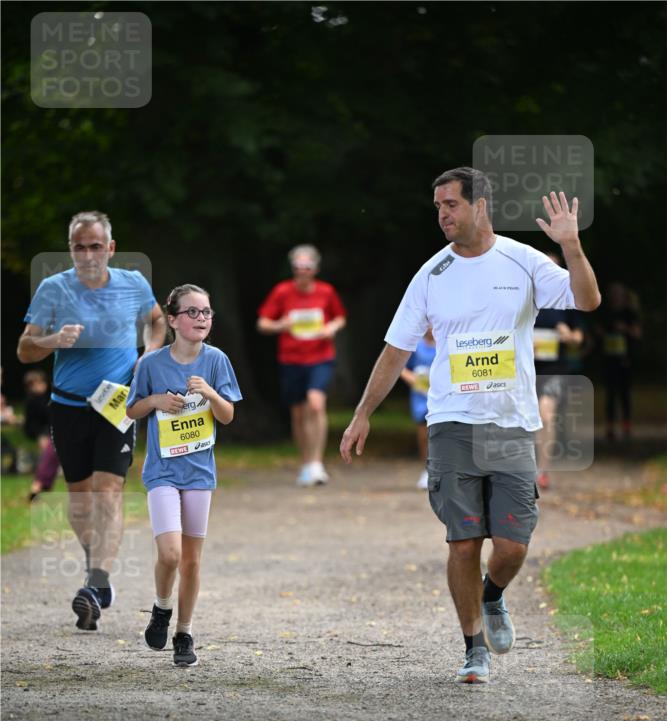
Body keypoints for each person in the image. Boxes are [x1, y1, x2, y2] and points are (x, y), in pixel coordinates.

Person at [341, 166, 600, 684]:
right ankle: (472, 646)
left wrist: (571, 245)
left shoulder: (523, 262)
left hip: (511, 424)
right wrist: (361, 413)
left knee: (512, 547)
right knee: (463, 541)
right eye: (437, 207)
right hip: (453, 423)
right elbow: (397, 350)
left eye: (451, 205)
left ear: (480, 205)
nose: (442, 215)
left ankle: (493, 594)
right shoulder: (431, 274)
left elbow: (587, 300)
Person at [17, 210, 166, 631]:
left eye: (95, 246)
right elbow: (24, 350)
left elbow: (156, 321)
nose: (87, 254)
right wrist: (52, 340)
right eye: (79, 247)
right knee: (80, 498)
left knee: (107, 492)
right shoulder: (53, 289)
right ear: (71, 249)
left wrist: (148, 356)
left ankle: (97, 582)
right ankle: (95, 568)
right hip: (67, 406)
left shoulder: (133, 284)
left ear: (111, 248)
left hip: (117, 403)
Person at [126, 284, 242, 667]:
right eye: (192, 312)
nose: (201, 319)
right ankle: (162, 607)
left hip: (199, 474)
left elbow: (227, 415)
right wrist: (157, 401)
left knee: (192, 560)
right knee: (171, 554)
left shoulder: (216, 361)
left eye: (206, 312)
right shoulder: (153, 364)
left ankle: (184, 632)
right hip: (161, 472)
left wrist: (209, 392)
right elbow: (131, 411)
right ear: (172, 319)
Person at [257, 244, 346, 486]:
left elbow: (340, 317)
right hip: (291, 359)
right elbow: (263, 322)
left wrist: (331, 328)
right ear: (293, 268)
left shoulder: (326, 292)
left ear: (315, 268)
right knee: (297, 413)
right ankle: (306, 463)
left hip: (320, 357)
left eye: (307, 266)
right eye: (298, 266)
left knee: (316, 405)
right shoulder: (282, 292)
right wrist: (279, 326)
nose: (303, 271)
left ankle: (317, 463)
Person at [532, 252, 585, 489]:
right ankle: (527, 470)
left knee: (546, 415)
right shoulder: (524, 297)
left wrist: (568, 336)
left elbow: (579, 337)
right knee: (526, 420)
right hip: (524, 367)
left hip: (554, 367)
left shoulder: (567, 299)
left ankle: (542, 471)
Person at [596, 282, 642, 440]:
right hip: (609, 359)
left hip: (625, 359)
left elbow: (638, 333)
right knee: (610, 394)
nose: (616, 296)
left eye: (619, 293)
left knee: (625, 394)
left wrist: (625, 329)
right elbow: (597, 331)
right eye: (613, 293)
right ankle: (609, 428)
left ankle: (626, 426)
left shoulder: (630, 313)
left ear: (623, 295)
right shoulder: (605, 312)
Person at [399, 328, 436, 488]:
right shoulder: (416, 345)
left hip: (441, 395)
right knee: (423, 431)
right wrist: (413, 379)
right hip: (421, 395)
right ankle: (427, 469)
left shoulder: (446, 342)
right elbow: (401, 367)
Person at [22, 369, 61, 501]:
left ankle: (41, 485)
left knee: (53, 456)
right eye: (36, 384)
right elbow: (31, 424)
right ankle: (39, 485)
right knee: (50, 455)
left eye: (41, 383)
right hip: (42, 434)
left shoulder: (48, 399)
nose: (40, 386)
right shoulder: (32, 402)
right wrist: (40, 436)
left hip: (53, 432)